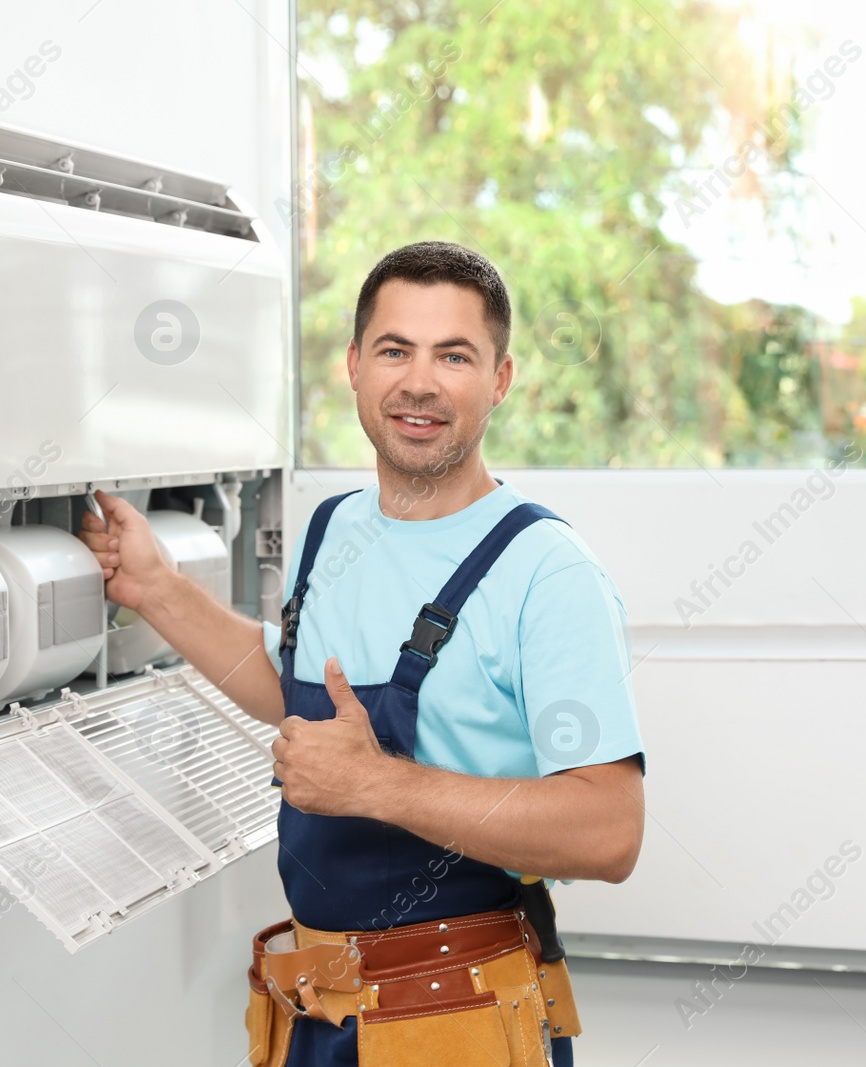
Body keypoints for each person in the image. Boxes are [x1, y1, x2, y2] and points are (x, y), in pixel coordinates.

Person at [81, 240, 645, 1067]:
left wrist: (380, 784)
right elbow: (298, 697)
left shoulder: (546, 571)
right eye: (394, 350)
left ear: (500, 379)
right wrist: (157, 588)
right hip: (319, 1016)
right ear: (354, 365)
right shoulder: (332, 529)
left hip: (463, 1024)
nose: (418, 382)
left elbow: (609, 829)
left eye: (453, 355)